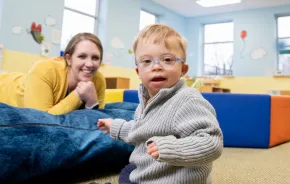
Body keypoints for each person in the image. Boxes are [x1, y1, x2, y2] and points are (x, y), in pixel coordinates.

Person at [97, 24, 223, 184]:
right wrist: (116, 126)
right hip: (149, 172)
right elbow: (141, 130)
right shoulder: (147, 100)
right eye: (147, 61)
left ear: (183, 69)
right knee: (128, 170)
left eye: (167, 60)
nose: (156, 66)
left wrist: (172, 148)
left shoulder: (188, 100)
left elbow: (212, 143)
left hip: (173, 180)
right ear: (138, 72)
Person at [0, 33, 106, 115]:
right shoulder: (44, 70)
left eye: (95, 58)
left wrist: (92, 103)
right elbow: (41, 121)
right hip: (4, 88)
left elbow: (98, 122)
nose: (89, 64)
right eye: (82, 56)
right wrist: (77, 94)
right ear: (68, 59)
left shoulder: (98, 79)